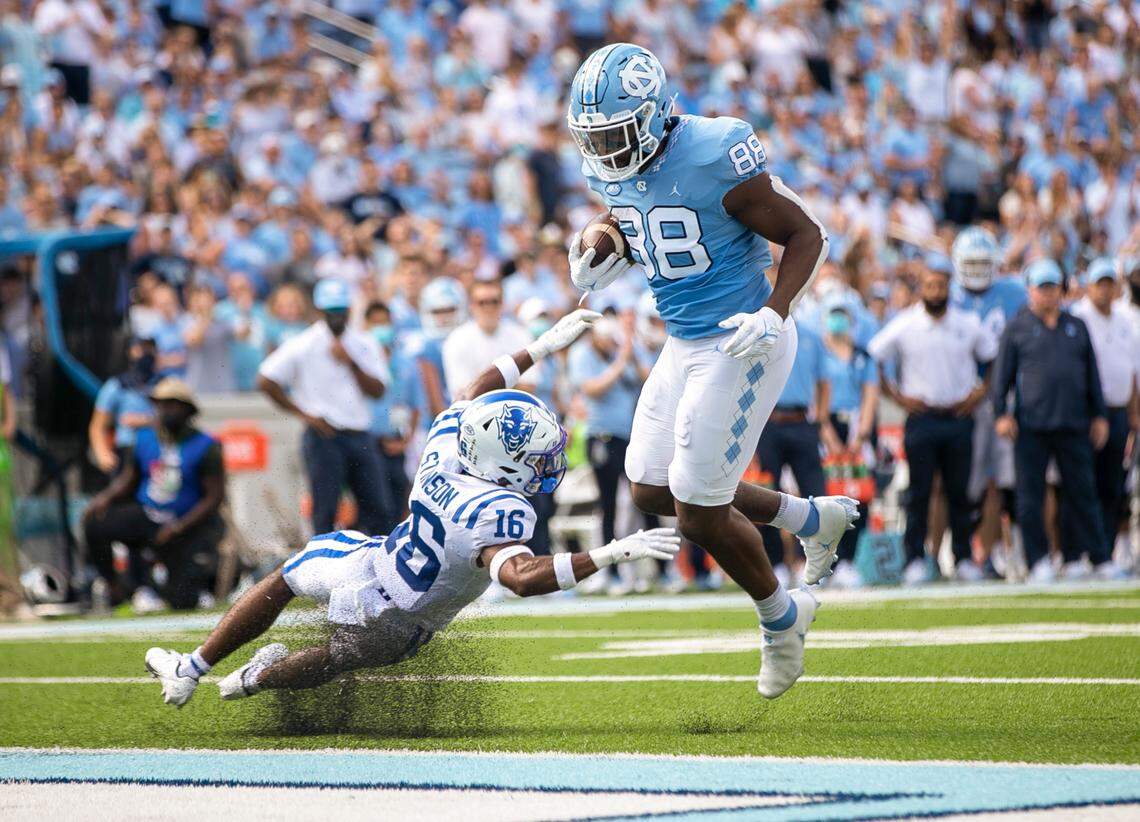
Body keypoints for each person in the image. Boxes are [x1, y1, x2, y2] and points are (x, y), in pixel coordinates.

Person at [143, 310, 680, 707]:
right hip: (407, 617)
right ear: (504, 463)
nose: (546, 465)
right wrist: (611, 553)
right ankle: (253, 680)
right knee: (334, 657)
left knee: (287, 580)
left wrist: (538, 347)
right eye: (537, 458)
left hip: (378, 561)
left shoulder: (449, 444)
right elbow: (520, 577)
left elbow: (477, 387)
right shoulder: (496, 510)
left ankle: (193, 667)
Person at [566, 43, 857, 700]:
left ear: (652, 117)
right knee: (647, 490)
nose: (606, 150)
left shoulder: (712, 151)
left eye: (616, 134)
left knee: (698, 515)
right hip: (682, 341)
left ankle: (783, 619)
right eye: (596, 137)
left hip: (742, 339)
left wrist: (777, 312)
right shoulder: (615, 166)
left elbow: (807, 233)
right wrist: (602, 245)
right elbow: (627, 214)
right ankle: (811, 519)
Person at [868, 263, 998, 584]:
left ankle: (963, 557)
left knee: (960, 492)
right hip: (921, 418)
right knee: (919, 491)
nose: (935, 292)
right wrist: (898, 398)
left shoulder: (967, 324)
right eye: (930, 286)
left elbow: (992, 358)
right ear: (921, 288)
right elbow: (874, 355)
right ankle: (914, 558)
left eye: (940, 286)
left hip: (958, 416)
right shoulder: (907, 323)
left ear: (949, 287)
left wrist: (978, 394)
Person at [991, 259, 1112, 582]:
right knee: (1030, 497)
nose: (1048, 293)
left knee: (1082, 492)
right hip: (1031, 424)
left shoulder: (1077, 325)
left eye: (1053, 287)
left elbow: (1092, 375)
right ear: (1030, 289)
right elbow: (1001, 377)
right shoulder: (1017, 328)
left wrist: (1099, 414)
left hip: (1073, 421)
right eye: (1042, 287)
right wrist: (1001, 414)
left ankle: (1093, 557)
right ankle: (1039, 559)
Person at [257, 278, 395, 537]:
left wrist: (351, 363)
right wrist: (304, 414)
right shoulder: (304, 343)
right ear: (320, 312)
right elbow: (266, 380)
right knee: (324, 510)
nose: (336, 319)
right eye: (331, 313)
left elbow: (379, 390)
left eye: (340, 312)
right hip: (324, 434)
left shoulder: (363, 343)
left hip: (359, 433)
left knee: (379, 509)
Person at [83, 378, 226, 610]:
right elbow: (129, 479)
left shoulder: (206, 445)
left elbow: (214, 497)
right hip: (148, 515)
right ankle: (114, 587)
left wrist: (179, 526)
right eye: (160, 404)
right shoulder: (145, 438)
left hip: (185, 526)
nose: (164, 410)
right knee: (96, 522)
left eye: (171, 404)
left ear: (186, 409)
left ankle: (167, 587)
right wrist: (104, 498)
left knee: (182, 601)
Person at [950, 226, 1027, 575]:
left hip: (1001, 396)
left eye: (984, 263)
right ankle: (955, 552)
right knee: (960, 481)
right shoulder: (944, 294)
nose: (979, 270)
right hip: (957, 400)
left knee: (999, 480)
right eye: (972, 263)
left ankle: (991, 551)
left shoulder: (1014, 292)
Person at [568, 311, 654, 594]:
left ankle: (657, 571)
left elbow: (648, 380)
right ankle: (612, 572)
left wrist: (630, 352)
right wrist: (621, 358)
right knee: (608, 506)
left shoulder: (623, 350)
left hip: (631, 436)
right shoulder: (582, 354)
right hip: (602, 436)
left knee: (645, 501)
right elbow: (593, 389)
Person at [1067, 258, 1135, 577]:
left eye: (1110, 283)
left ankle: (1104, 552)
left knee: (1112, 484)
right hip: (1087, 414)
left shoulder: (1125, 322)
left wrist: (1134, 416)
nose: (1105, 290)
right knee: (1083, 485)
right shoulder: (1078, 319)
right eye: (1100, 283)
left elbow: (1133, 373)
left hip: (1119, 412)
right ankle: (1078, 552)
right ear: (1088, 286)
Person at [754, 321, 829, 585]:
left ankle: (810, 561)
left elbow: (823, 381)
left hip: (800, 421)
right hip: (767, 423)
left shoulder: (810, 335)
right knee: (764, 495)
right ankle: (776, 563)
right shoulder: (760, 331)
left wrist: (818, 420)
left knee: (816, 493)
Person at [819, 297, 879, 588]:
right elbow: (815, 394)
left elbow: (870, 393)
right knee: (824, 496)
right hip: (827, 427)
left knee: (858, 498)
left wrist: (862, 432)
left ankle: (850, 560)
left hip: (855, 428)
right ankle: (824, 561)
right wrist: (827, 433)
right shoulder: (820, 354)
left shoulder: (861, 356)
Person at [441, 279, 531, 397]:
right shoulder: (456, 340)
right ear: (471, 306)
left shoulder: (521, 334)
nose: (489, 308)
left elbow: (529, 386)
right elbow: (463, 393)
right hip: (473, 413)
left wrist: (483, 383)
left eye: (494, 302)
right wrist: (507, 380)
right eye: (482, 302)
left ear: (502, 304)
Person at [88, 337, 157, 476]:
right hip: (127, 451)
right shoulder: (116, 386)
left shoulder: (164, 385)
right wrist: (103, 454)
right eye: (140, 348)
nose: (145, 353)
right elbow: (98, 425)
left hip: (155, 452)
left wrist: (145, 421)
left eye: (149, 348)